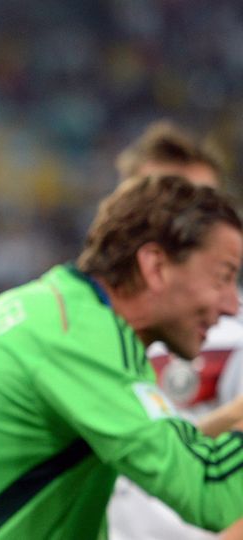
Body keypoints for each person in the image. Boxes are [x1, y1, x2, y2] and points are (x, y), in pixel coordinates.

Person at [0, 174, 243, 539]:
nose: (231, 304)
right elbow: (211, 491)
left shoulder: (54, 309)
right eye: (222, 277)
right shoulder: (80, 340)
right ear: (155, 266)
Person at [107, 121, 243, 539]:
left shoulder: (233, 332)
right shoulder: (75, 326)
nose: (173, 219)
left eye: (198, 203)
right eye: (156, 195)